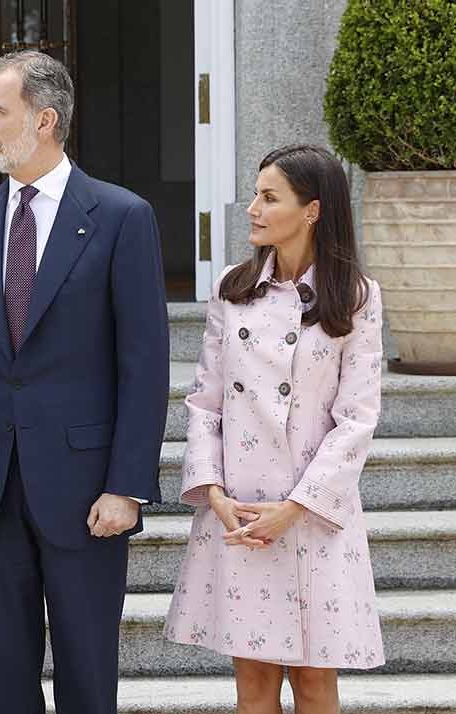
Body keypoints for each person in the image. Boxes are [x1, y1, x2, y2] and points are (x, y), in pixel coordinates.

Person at [0, 51, 170, 713]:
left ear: (46, 119)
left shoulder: (121, 218)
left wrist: (128, 485)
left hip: (88, 491)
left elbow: (144, 366)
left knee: (88, 675)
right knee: (2, 677)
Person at [164, 144, 385, 714]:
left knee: (314, 681)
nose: (253, 209)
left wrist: (296, 506)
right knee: (254, 682)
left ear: (311, 210)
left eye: (269, 197)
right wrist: (213, 493)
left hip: (313, 515)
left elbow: (357, 418)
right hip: (240, 511)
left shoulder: (355, 297)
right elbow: (206, 402)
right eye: (256, 195)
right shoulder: (234, 289)